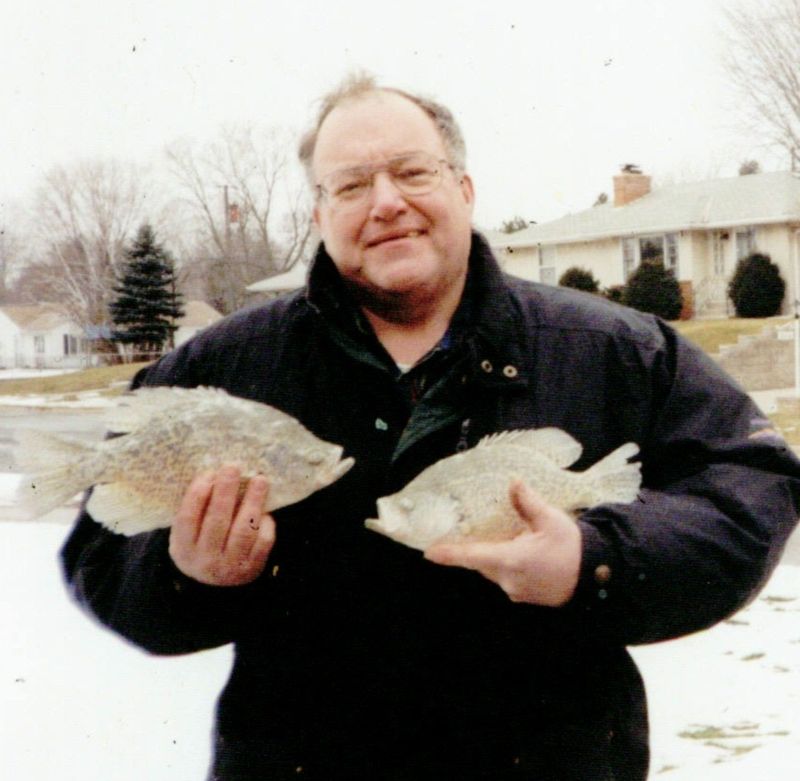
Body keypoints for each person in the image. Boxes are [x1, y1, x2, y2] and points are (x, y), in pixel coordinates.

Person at [62, 73, 800, 781]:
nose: (386, 202)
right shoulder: (220, 366)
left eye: (413, 172)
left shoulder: (615, 350)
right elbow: (101, 554)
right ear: (319, 216)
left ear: (465, 189)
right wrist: (186, 575)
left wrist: (594, 558)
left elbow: (751, 486)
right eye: (350, 185)